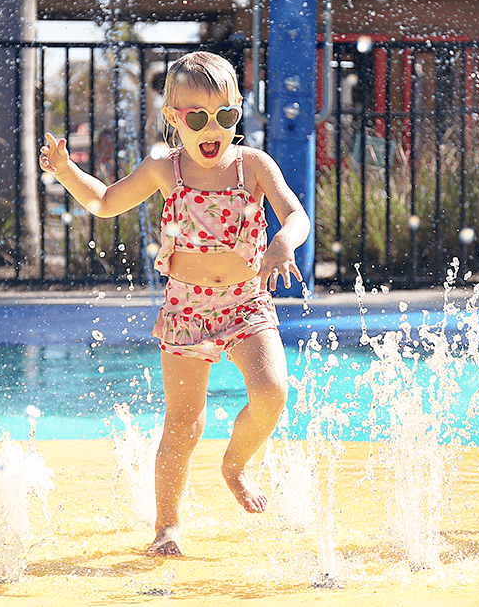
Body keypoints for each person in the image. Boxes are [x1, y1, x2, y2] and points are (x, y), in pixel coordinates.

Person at [39, 51, 310, 556]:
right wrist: (66, 170)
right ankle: (167, 525)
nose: (213, 128)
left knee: (272, 393)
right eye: (197, 117)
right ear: (172, 119)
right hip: (187, 313)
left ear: (238, 112)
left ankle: (234, 464)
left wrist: (284, 242)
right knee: (183, 424)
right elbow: (103, 202)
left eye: (225, 116)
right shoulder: (165, 168)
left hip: (246, 304)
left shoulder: (252, 166)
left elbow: (297, 215)